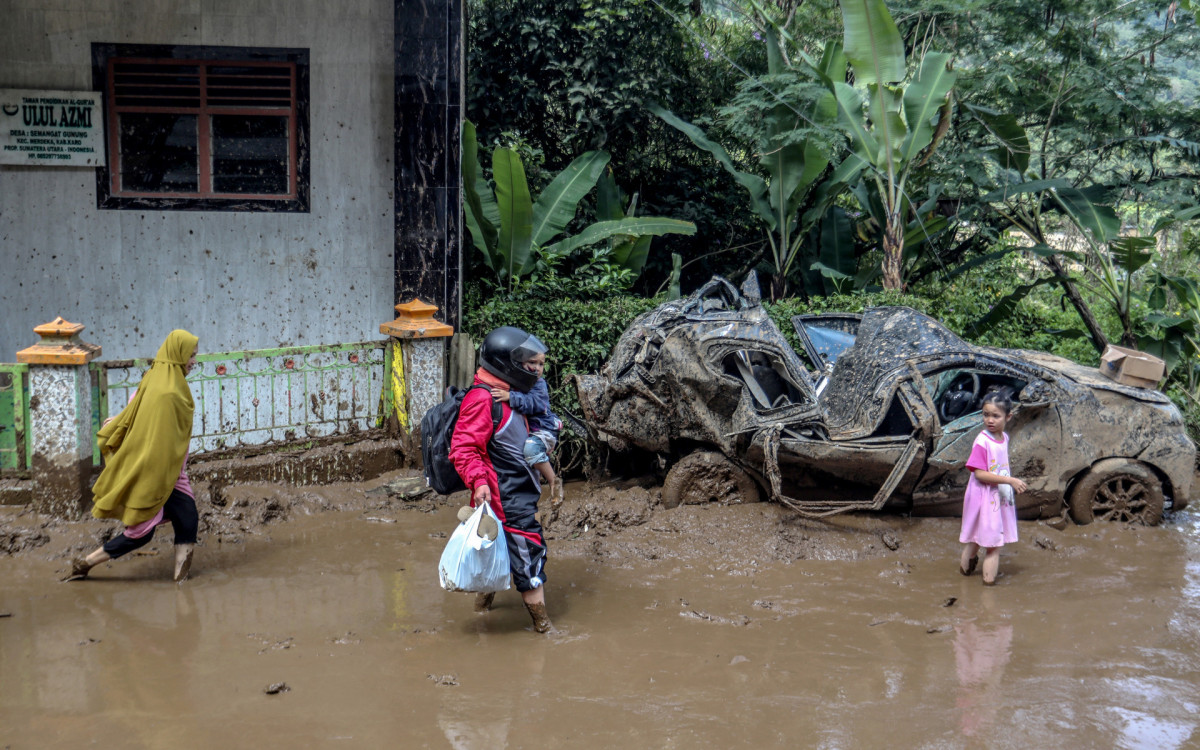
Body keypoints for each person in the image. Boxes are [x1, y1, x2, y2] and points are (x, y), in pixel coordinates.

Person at [64, 330, 200, 583]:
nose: (193, 361)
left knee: (188, 519)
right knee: (141, 532)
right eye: (190, 355)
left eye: (194, 356)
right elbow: (151, 424)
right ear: (178, 353)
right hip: (155, 471)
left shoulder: (158, 378)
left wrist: (121, 421)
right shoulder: (167, 392)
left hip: (172, 472)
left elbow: (136, 409)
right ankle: (85, 564)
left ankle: (181, 582)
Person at [450, 326, 555, 633]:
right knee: (529, 555)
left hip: (510, 494)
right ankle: (545, 627)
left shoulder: (511, 392)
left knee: (492, 554)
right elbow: (464, 447)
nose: (533, 369)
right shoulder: (482, 399)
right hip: (505, 498)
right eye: (527, 363)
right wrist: (479, 482)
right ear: (508, 365)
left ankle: (482, 611)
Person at [959, 389, 1028, 585]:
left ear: (1008, 417)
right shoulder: (982, 441)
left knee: (976, 538)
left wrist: (1007, 482)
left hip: (995, 496)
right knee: (993, 546)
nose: (990, 420)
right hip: (985, 496)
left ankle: (964, 578)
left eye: (995, 416)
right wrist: (1010, 481)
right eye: (986, 414)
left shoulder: (1004, 438)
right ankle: (988, 592)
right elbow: (979, 473)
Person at [488, 346, 564, 507]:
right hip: (532, 432)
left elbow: (534, 403)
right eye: (532, 362)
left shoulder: (539, 384)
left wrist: (511, 397)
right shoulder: (518, 381)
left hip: (544, 430)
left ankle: (553, 481)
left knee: (530, 450)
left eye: (541, 364)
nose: (537, 368)